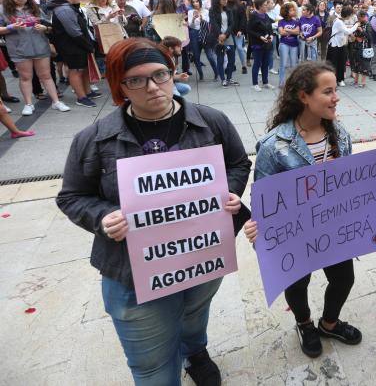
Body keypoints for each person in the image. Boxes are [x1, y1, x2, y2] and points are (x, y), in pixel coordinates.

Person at [56, 38, 251, 385]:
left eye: (160, 74)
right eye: (136, 80)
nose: (153, 87)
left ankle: (195, 350)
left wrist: (229, 193)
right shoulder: (93, 140)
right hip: (131, 272)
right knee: (152, 368)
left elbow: (237, 163)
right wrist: (103, 218)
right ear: (119, 86)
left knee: (194, 314)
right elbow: (71, 196)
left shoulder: (211, 122)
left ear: (173, 73)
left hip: (201, 257)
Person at [243, 61, 376, 358]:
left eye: (335, 90)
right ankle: (304, 324)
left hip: (334, 229)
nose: (336, 97)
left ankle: (328, 324)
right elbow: (264, 196)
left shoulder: (339, 133)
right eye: (328, 91)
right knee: (297, 282)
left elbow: (349, 182)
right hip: (296, 236)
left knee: (344, 278)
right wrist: (256, 224)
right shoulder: (275, 146)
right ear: (304, 96)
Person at [0, 0, 70, 114]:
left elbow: (48, 25)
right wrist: (11, 27)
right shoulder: (3, 10)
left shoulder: (34, 8)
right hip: (19, 48)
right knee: (25, 77)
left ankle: (56, 102)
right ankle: (28, 104)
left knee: (46, 75)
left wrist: (45, 28)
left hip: (40, 46)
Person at [50, 0, 98, 107]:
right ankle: (81, 97)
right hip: (71, 46)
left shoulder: (69, 6)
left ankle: (87, 92)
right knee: (76, 70)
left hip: (78, 45)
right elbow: (74, 32)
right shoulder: (64, 9)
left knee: (84, 69)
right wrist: (88, 45)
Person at [187, 0, 218, 81]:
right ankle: (201, 74)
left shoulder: (206, 11)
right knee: (196, 56)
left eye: (196, 1)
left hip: (205, 33)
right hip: (194, 33)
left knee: (209, 55)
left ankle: (216, 73)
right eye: (193, 2)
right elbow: (191, 25)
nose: (195, 3)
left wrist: (202, 19)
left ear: (200, 2)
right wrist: (193, 19)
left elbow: (209, 24)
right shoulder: (190, 12)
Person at [247, 0, 275, 90]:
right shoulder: (254, 16)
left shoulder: (266, 15)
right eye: (265, 5)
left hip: (267, 43)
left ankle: (265, 82)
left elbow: (270, 28)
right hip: (257, 44)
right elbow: (249, 30)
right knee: (257, 63)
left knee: (266, 63)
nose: (267, 6)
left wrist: (271, 35)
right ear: (259, 6)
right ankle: (255, 84)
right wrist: (260, 37)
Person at [209, 0, 237, 87]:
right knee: (220, 59)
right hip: (218, 38)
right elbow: (213, 24)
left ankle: (229, 78)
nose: (226, 1)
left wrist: (225, 34)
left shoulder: (229, 10)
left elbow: (232, 24)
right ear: (218, 0)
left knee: (232, 59)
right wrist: (220, 35)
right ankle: (223, 79)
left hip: (228, 37)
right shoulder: (212, 11)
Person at [326, 5, 358, 86]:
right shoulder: (338, 21)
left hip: (341, 45)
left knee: (341, 63)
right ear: (348, 15)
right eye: (350, 15)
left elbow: (345, 29)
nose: (351, 17)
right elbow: (347, 31)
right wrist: (357, 25)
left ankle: (340, 80)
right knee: (333, 64)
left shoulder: (341, 20)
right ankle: (332, 81)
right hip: (334, 46)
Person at [277, 2, 300, 87]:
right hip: (284, 44)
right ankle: (282, 82)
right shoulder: (281, 22)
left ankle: (293, 83)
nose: (294, 11)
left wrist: (287, 30)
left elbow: (297, 32)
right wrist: (292, 31)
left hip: (294, 44)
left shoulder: (296, 21)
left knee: (294, 64)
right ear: (286, 12)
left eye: (294, 10)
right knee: (283, 63)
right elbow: (281, 33)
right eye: (291, 10)